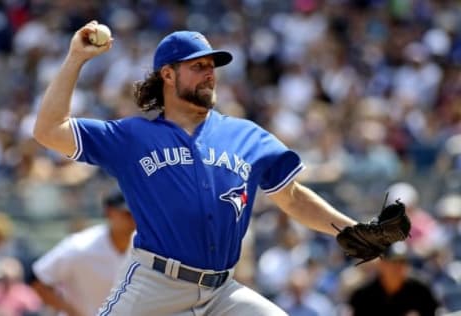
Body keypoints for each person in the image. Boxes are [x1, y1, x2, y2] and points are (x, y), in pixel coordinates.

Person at [32, 20, 371, 315]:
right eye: (197, 66)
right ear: (168, 74)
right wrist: (76, 58)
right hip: (156, 288)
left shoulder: (245, 135)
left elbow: (293, 198)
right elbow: (48, 130)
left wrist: (350, 229)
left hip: (222, 292)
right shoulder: (133, 136)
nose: (210, 73)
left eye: (212, 66)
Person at [30, 189, 135, 316]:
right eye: (127, 214)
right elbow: (38, 282)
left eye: (137, 213)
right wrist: (71, 311)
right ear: (109, 212)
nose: (134, 219)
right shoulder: (80, 246)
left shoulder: (148, 248)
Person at [348, 241, 440, 316]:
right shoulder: (363, 295)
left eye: (402, 261)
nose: (398, 266)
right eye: (393, 261)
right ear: (381, 264)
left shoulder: (420, 290)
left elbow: (435, 311)